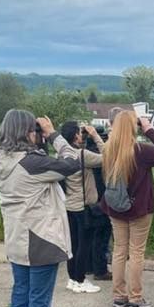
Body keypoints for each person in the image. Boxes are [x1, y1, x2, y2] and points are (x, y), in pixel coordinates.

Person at [0, 109, 80, 307]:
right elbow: (73, 162)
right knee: (39, 299)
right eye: (35, 130)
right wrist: (53, 135)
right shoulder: (33, 163)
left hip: (17, 236)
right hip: (41, 238)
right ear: (27, 132)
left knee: (20, 296)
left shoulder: (0, 157)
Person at [100, 111, 154, 307]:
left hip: (115, 207)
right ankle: (135, 297)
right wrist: (149, 129)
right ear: (134, 127)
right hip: (139, 207)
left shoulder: (108, 150)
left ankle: (118, 295)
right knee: (136, 252)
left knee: (119, 250)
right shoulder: (140, 151)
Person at [55, 121, 105, 294]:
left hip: (68, 205)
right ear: (76, 135)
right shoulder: (82, 155)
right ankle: (81, 280)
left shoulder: (60, 154)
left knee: (73, 245)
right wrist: (95, 135)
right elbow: (109, 157)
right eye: (79, 133)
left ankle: (72, 279)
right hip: (83, 208)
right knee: (84, 245)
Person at [86, 126, 112, 281]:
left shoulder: (82, 153)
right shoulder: (100, 157)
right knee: (101, 238)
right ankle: (100, 270)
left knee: (88, 236)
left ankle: (88, 266)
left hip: (86, 201)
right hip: (102, 200)